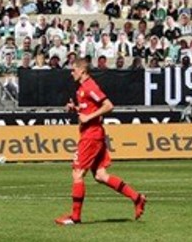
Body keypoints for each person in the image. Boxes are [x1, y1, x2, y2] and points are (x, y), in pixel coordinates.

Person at [55, 58, 146, 225]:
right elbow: (90, 108)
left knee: (77, 173)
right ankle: (137, 197)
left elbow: (108, 105)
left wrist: (88, 117)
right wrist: (75, 109)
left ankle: (75, 217)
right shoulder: (82, 88)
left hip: (91, 135)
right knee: (100, 175)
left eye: (73, 69)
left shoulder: (90, 86)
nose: (71, 72)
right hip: (92, 134)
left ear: (82, 70)